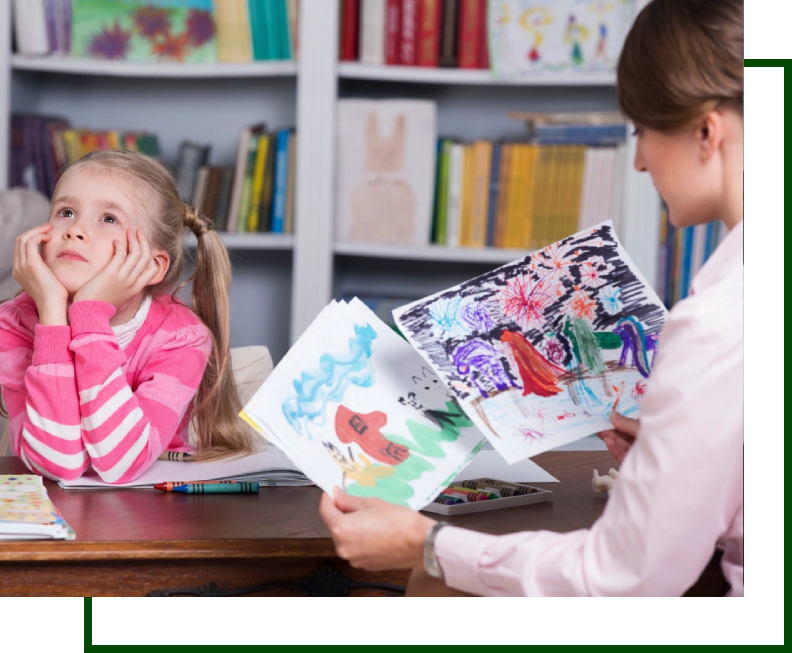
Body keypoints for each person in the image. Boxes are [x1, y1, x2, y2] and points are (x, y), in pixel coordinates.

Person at [319, 0, 744, 596]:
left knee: (435, 583)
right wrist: (684, 460)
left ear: (707, 130)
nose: (642, 160)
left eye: (643, 131)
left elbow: (624, 579)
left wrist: (428, 544)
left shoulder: (718, 324)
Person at [0, 150, 257, 483]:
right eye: (66, 212)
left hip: (150, 516)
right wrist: (51, 312)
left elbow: (120, 464)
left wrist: (89, 314)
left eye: (109, 218)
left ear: (151, 265)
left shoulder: (181, 338)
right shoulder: (15, 323)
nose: (75, 229)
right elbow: (57, 463)